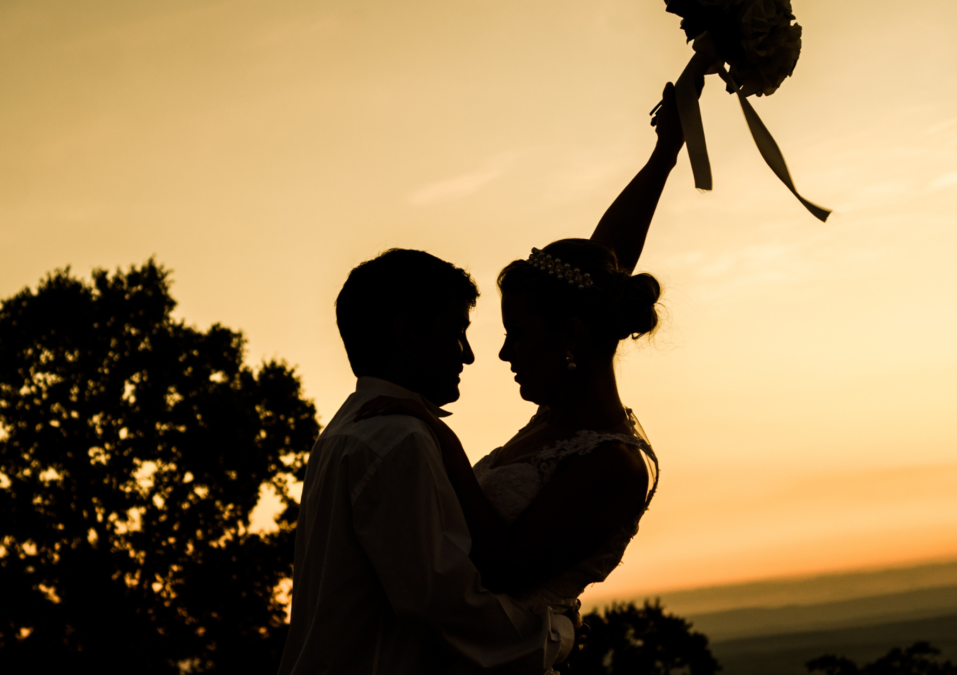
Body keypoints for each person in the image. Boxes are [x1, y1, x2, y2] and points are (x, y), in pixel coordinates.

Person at [352, 80, 696, 655]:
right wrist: (665, 155)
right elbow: (603, 260)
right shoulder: (554, 416)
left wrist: (435, 433)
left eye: (517, 334)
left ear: (571, 336)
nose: (505, 354)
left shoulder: (614, 466)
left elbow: (505, 564)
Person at [275, 248, 576, 674]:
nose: (468, 355)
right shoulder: (399, 439)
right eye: (455, 331)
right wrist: (557, 637)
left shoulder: (342, 432)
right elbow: (442, 604)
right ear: (406, 334)